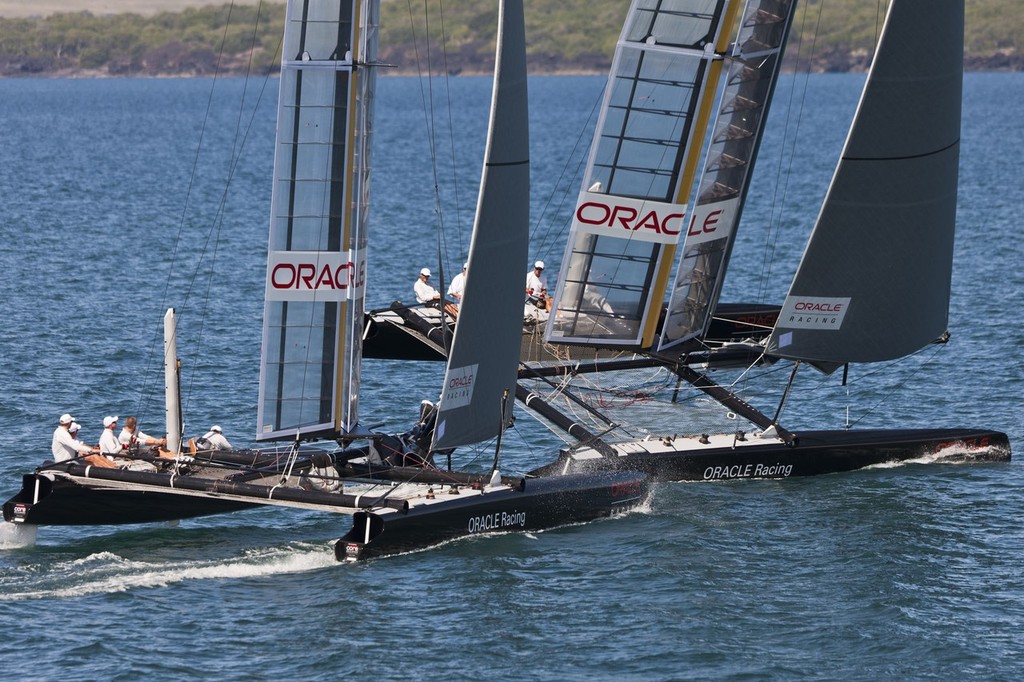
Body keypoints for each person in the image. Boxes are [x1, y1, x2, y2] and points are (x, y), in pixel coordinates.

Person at [51, 413, 116, 468]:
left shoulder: (62, 432)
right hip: (65, 463)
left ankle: (114, 467)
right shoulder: (62, 433)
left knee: (94, 458)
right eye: (71, 422)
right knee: (93, 458)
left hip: (71, 460)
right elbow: (75, 446)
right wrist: (92, 450)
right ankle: (113, 470)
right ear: (69, 423)